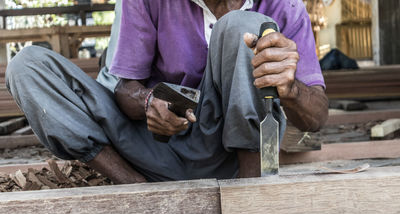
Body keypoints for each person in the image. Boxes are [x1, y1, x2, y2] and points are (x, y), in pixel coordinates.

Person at [6, 0, 328, 183]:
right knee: (27, 66)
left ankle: (252, 193)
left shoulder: (285, 6)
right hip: (153, 148)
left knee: (243, 26)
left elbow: (316, 117)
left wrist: (291, 89)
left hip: (237, 157)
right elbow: (124, 86)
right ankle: (136, 189)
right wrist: (148, 102)